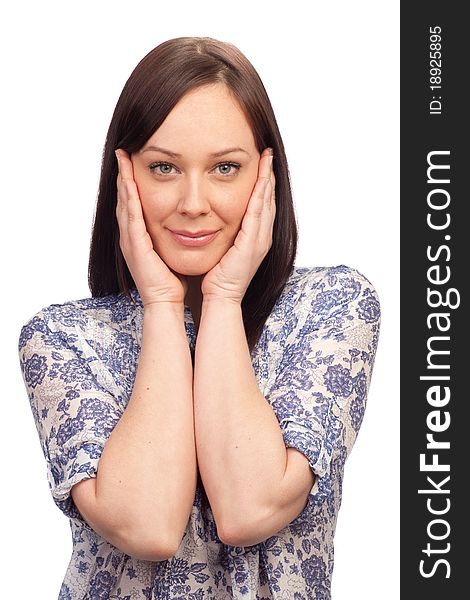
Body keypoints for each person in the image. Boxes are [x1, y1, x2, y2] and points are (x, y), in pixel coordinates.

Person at [18, 36, 381, 600]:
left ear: (266, 174)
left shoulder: (331, 308)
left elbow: (249, 506)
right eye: (163, 167)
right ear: (125, 176)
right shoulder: (62, 340)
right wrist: (162, 304)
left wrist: (225, 296)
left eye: (225, 168)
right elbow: (148, 526)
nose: (193, 201)